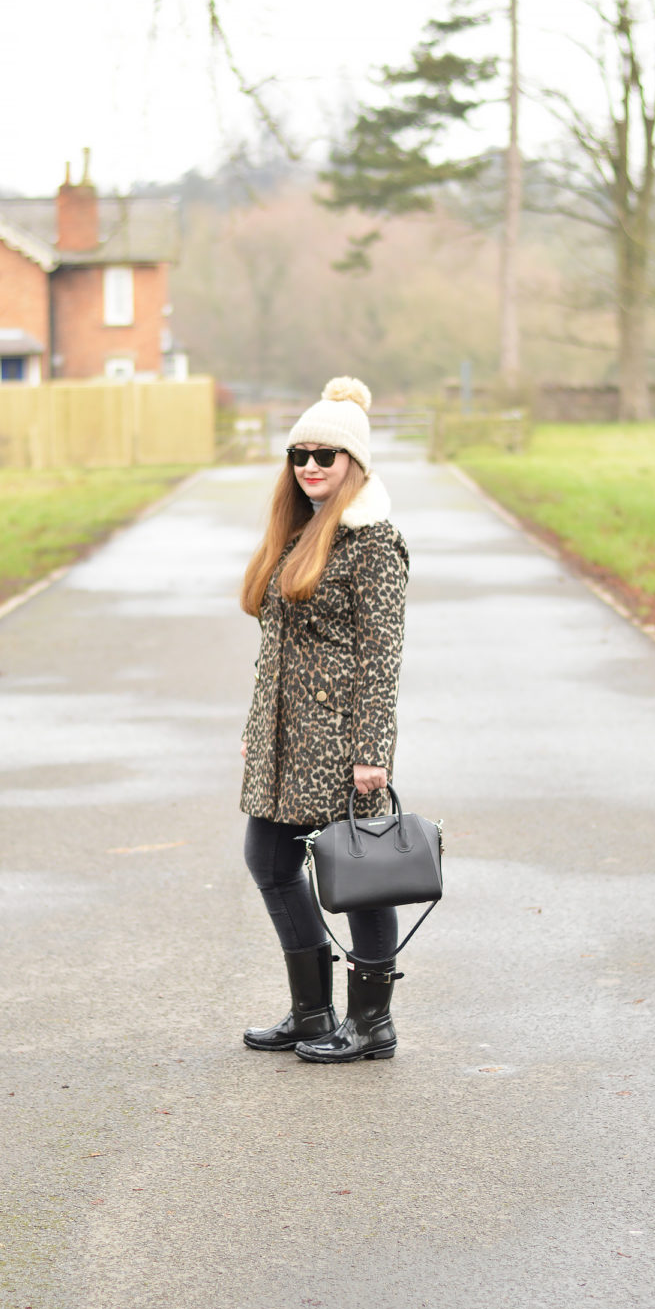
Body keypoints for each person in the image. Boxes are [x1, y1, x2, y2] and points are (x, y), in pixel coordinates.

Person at [238, 377, 410, 1063]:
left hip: (341, 742)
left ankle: (372, 1025)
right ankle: (312, 1014)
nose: (310, 466)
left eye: (326, 455)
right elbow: (275, 644)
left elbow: (383, 657)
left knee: (360, 875)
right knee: (270, 860)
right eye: (300, 454)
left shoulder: (375, 542)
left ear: (355, 464)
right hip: (285, 739)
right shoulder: (299, 532)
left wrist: (372, 750)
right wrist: (256, 728)